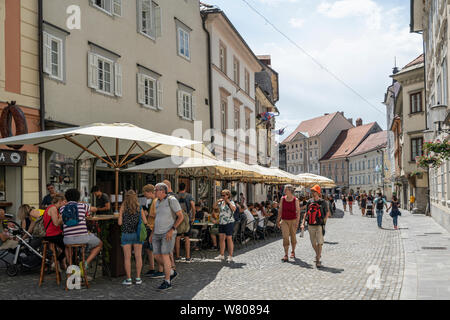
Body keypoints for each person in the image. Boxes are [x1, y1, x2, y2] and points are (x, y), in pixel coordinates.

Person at [150, 183, 184, 291]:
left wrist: (172, 229)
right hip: (156, 233)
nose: (154, 192)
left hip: (167, 233)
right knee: (156, 255)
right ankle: (171, 272)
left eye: (156, 190)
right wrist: (152, 233)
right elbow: (157, 218)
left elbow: (180, 216)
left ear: (162, 191)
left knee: (165, 255)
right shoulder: (156, 202)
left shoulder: (171, 200)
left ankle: (167, 281)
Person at [61, 189, 102, 274]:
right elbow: (94, 209)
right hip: (83, 238)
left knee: (67, 248)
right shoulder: (82, 206)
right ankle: (85, 263)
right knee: (99, 244)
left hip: (68, 239)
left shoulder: (62, 208)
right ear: (78, 197)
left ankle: (71, 267)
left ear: (66, 198)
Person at [118, 190, 147, 285]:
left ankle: (129, 279)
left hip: (126, 234)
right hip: (137, 235)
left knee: (127, 258)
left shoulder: (123, 207)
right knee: (138, 257)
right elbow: (145, 221)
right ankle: (138, 278)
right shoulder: (139, 207)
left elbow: (119, 223)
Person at [301, 185, 329, 268]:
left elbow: (327, 213)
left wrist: (324, 222)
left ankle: (317, 260)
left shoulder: (323, 202)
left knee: (319, 243)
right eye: (312, 191)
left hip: (319, 225)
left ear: (318, 192)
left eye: (314, 191)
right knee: (313, 243)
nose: (313, 193)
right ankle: (318, 255)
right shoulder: (309, 201)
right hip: (310, 225)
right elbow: (306, 213)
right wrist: (303, 223)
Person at [276, 185, 300, 262]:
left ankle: (293, 251)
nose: (284, 190)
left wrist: (297, 222)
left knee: (293, 236)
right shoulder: (282, 199)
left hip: (293, 220)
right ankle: (286, 254)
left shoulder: (295, 200)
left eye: (285, 189)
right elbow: (280, 210)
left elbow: (298, 212)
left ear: (289, 190)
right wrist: (278, 220)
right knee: (285, 237)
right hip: (284, 220)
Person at [43, 193, 67, 270]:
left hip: (54, 234)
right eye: (64, 201)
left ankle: (57, 262)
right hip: (52, 235)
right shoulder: (53, 208)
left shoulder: (54, 208)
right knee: (68, 246)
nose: (65, 203)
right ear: (60, 201)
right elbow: (56, 223)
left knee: (67, 245)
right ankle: (56, 261)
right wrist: (62, 216)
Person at [213, 189, 236, 263]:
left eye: (224, 195)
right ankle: (222, 254)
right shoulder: (221, 203)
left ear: (228, 195)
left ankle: (230, 255)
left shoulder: (231, 202)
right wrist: (217, 201)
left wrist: (228, 202)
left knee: (229, 238)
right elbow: (214, 207)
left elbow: (234, 209)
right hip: (222, 222)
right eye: (221, 195)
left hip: (229, 222)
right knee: (221, 238)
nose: (222, 196)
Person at [175, 182, 195, 263]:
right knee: (187, 237)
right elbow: (193, 206)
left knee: (178, 237)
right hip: (187, 217)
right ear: (185, 188)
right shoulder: (189, 196)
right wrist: (193, 216)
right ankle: (187, 257)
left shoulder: (175, 196)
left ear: (178, 188)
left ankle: (177, 256)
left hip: (177, 218)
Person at [142, 184, 157, 277]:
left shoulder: (155, 201)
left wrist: (147, 214)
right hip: (151, 226)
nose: (145, 196)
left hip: (152, 227)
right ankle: (152, 268)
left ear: (149, 192)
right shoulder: (153, 201)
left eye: (145, 193)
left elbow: (156, 215)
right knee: (149, 248)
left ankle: (155, 268)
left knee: (151, 249)